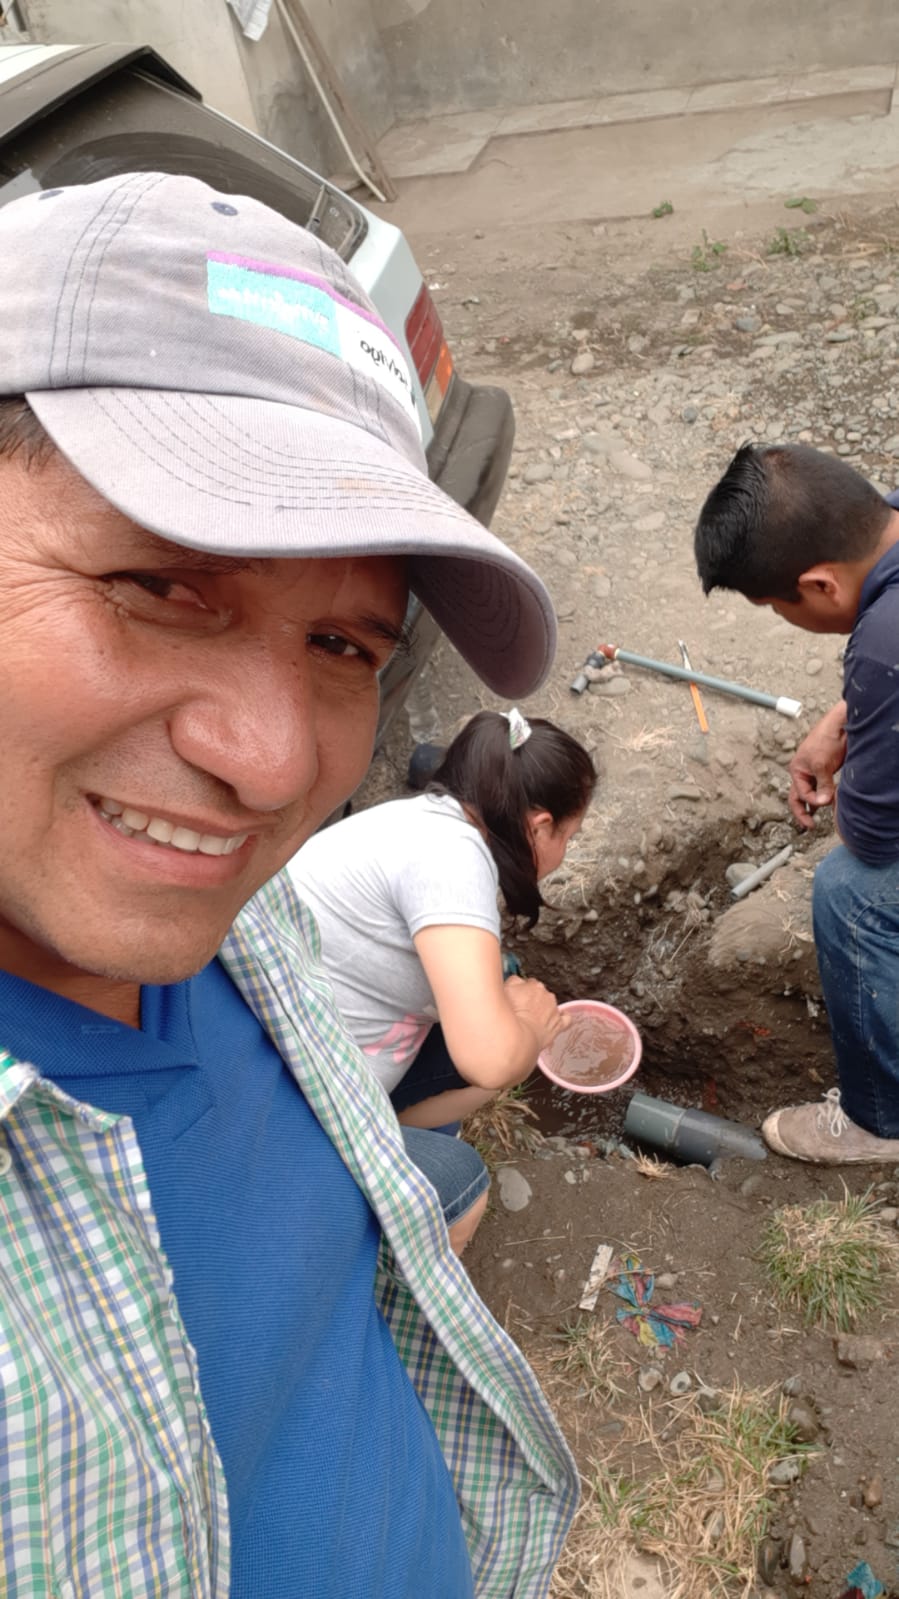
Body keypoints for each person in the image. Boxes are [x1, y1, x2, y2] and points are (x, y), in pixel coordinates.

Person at [0, 171, 578, 1597]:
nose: (269, 767)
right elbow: (486, 1050)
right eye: (157, 586)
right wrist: (525, 1014)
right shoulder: (431, 861)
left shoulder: (238, 923)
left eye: (340, 647)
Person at [288, 708, 596, 1243]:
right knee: (460, 1184)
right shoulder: (451, 862)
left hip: (310, 1055)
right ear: (540, 825)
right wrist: (530, 1028)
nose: (565, 853)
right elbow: (491, 1059)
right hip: (290, 1111)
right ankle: (368, 1262)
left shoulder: (428, 819)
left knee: (492, 1005)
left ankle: (391, 1141)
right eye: (568, 836)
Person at [694, 440, 899, 1165]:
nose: (782, 616)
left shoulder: (883, 641)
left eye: (776, 605)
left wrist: (864, 752)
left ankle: (881, 1121)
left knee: (850, 893)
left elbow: (871, 837)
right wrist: (848, 716)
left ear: (818, 584)